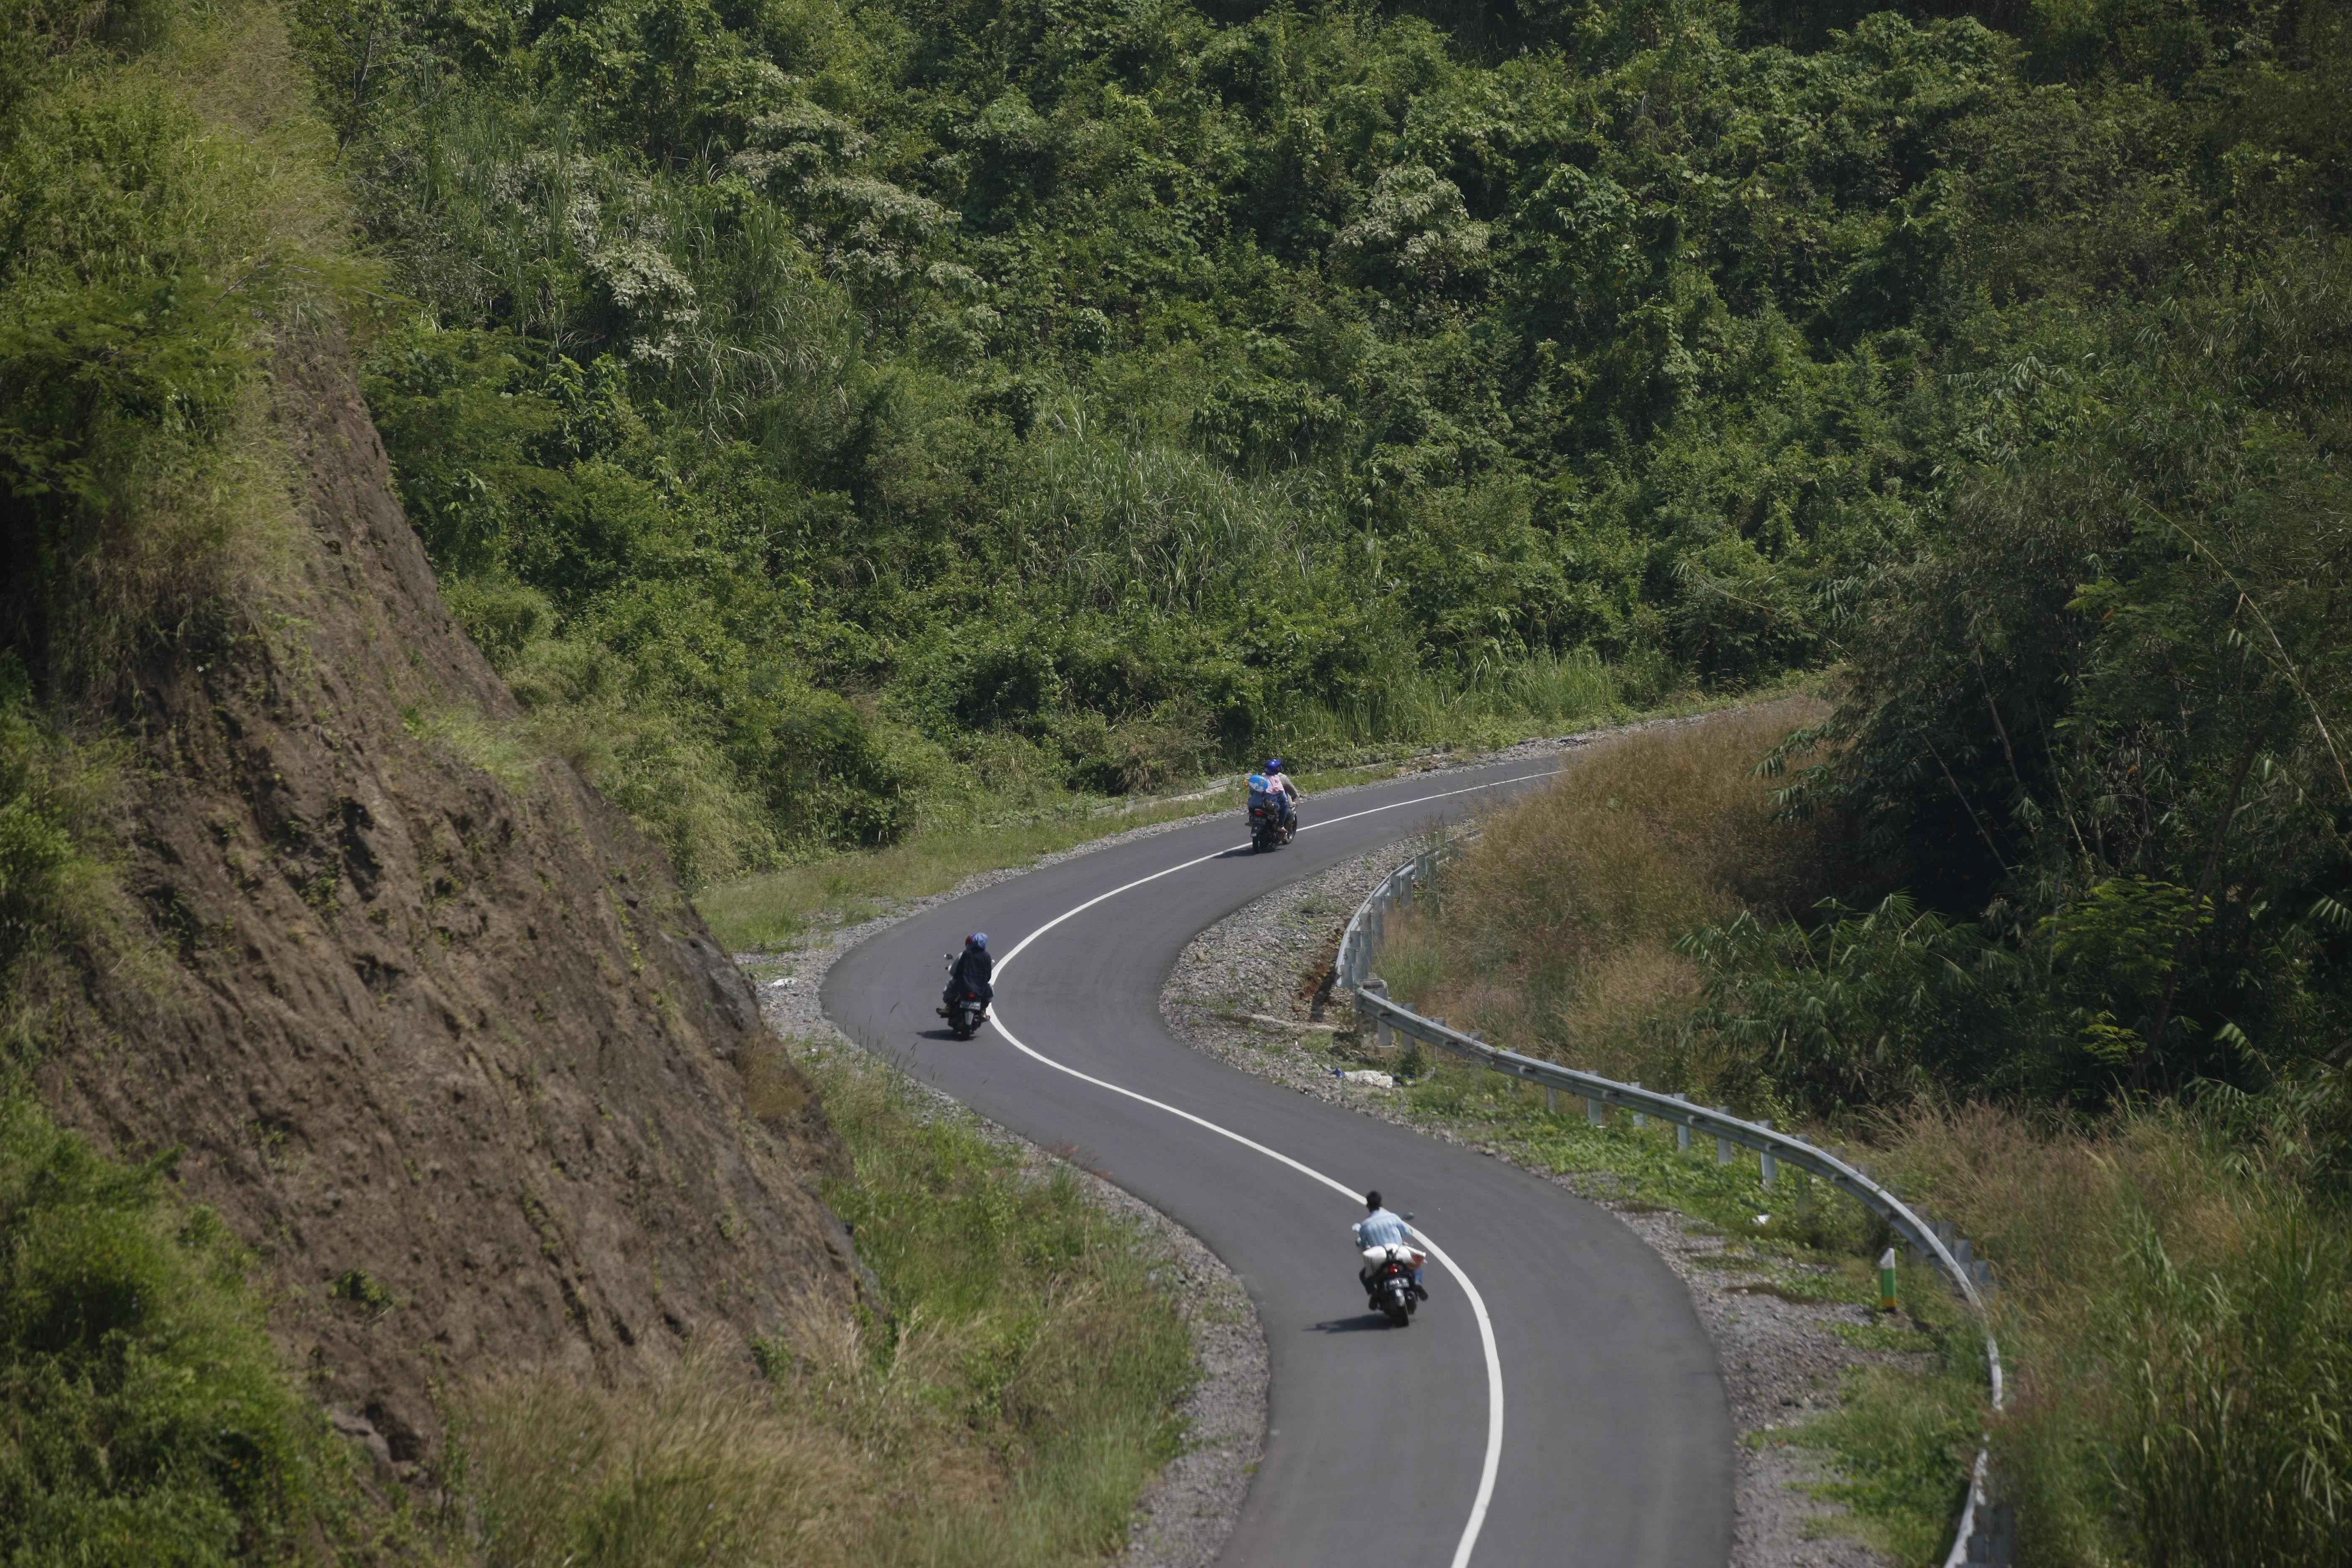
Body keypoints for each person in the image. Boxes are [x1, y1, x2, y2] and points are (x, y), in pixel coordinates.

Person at [1353, 1189, 1426, 1298]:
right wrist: (1408, 1231)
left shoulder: (1365, 1226)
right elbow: (1406, 1232)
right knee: (1416, 1264)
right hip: (1399, 1253)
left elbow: (1364, 1245)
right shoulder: (1393, 1217)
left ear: (1368, 1205)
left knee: (1364, 1276)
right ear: (1381, 1204)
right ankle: (1417, 1283)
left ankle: (1374, 1295)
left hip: (1379, 1258)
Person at [941, 931, 993, 1016]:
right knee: (990, 990)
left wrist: (957, 977)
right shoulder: (987, 956)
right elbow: (988, 975)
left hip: (965, 985)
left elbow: (958, 971)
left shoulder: (966, 954)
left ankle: (948, 1007)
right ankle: (983, 1011)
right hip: (980, 987)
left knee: (950, 985)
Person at [1261, 757, 1301, 833]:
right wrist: (1293, 799)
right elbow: (1292, 792)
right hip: (1276, 804)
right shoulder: (1282, 778)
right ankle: (1282, 833)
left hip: (1263, 803)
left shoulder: (1263, 776)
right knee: (1290, 815)